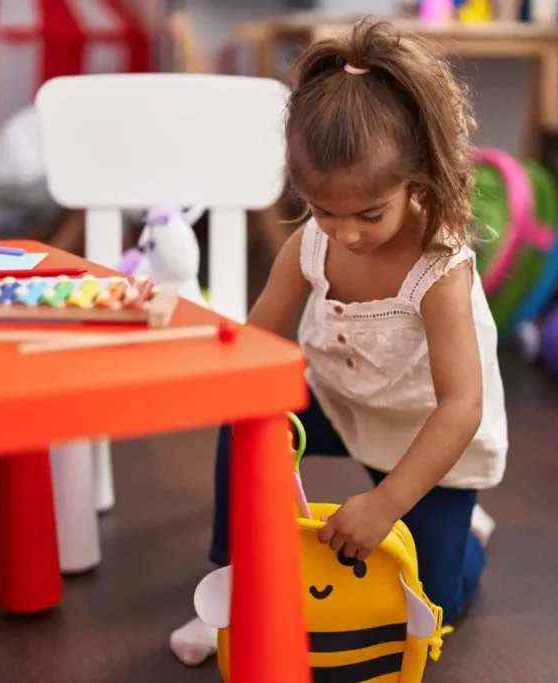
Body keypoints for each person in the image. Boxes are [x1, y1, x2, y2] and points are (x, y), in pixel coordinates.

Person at [170, 16, 507, 666]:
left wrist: (386, 502)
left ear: (418, 178)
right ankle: (234, 579)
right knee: (250, 413)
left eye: (368, 214)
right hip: (337, 396)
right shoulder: (314, 240)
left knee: (426, 611)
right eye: (324, 208)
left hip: (425, 433)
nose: (344, 233)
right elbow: (260, 333)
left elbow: (460, 405)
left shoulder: (441, 268)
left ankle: (471, 539)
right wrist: (201, 367)